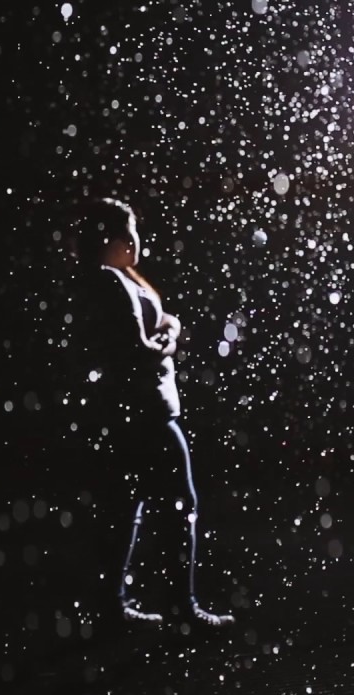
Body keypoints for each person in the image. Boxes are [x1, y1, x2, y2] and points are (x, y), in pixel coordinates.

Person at [70, 198, 234, 627]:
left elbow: (160, 323)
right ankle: (180, 608)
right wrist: (165, 343)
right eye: (130, 231)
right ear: (112, 238)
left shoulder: (122, 279)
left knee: (126, 508)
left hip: (134, 413)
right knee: (176, 507)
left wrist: (169, 329)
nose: (136, 240)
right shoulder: (107, 282)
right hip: (144, 414)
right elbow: (133, 349)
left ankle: (112, 608)